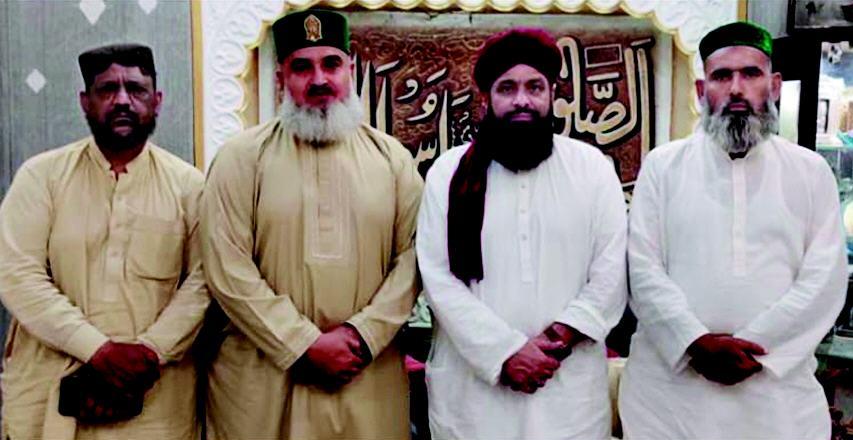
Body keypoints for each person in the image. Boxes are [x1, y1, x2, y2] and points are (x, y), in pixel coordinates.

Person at [200, 9, 422, 440]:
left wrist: (362, 335)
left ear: (350, 69)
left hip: (365, 376)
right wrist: (301, 342)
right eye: (302, 67)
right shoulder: (242, 157)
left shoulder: (392, 159)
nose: (319, 79)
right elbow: (226, 265)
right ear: (281, 77)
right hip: (265, 380)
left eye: (331, 64)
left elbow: (415, 259)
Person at [619, 21, 848, 439]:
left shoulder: (810, 171)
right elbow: (642, 269)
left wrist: (756, 344)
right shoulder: (663, 166)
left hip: (776, 400)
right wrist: (695, 342)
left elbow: (824, 279)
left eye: (751, 74)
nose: (737, 89)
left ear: (774, 86)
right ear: (701, 90)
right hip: (671, 399)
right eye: (722, 76)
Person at [416, 28, 628, 439]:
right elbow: (437, 276)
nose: (522, 100)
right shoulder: (448, 173)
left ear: (553, 94)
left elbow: (610, 272)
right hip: (475, 397)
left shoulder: (592, 168)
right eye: (507, 88)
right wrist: (505, 352)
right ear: (485, 99)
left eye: (534, 87)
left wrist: (555, 340)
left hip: (566, 390)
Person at [0, 43, 209, 439]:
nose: (122, 100)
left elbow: (203, 283)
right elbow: (16, 274)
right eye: (108, 89)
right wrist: (96, 349)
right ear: (85, 101)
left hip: (154, 398)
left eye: (136, 89)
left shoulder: (190, 187)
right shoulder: (41, 177)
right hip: (51, 392)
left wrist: (149, 352)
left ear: (157, 101)